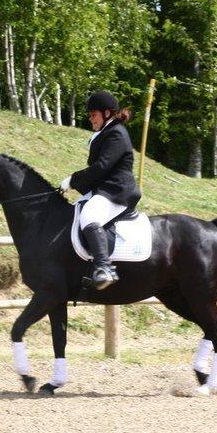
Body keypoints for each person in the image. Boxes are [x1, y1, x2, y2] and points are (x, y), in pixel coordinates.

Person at [59, 90, 142, 289]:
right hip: (106, 189)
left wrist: (73, 179)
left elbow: (102, 166)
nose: (90, 119)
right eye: (89, 116)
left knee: (89, 215)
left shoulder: (116, 134)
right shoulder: (105, 133)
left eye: (93, 114)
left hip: (118, 192)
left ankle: (104, 268)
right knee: (75, 211)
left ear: (107, 113)